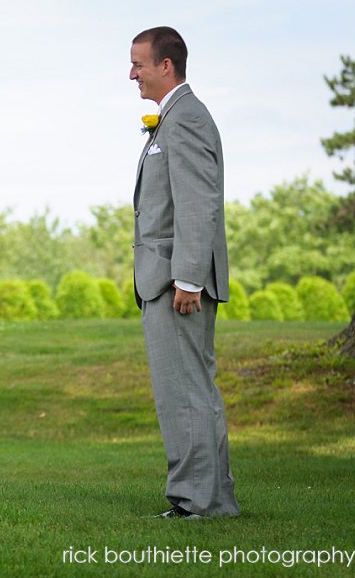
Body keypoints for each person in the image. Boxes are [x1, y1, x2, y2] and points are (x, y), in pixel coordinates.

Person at [129, 27, 239, 519]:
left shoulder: (186, 118)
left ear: (166, 65)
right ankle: (204, 497)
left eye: (139, 64)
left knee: (188, 394)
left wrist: (189, 279)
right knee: (187, 392)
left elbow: (197, 203)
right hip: (169, 278)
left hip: (178, 282)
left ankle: (200, 503)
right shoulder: (172, 118)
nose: (132, 73)